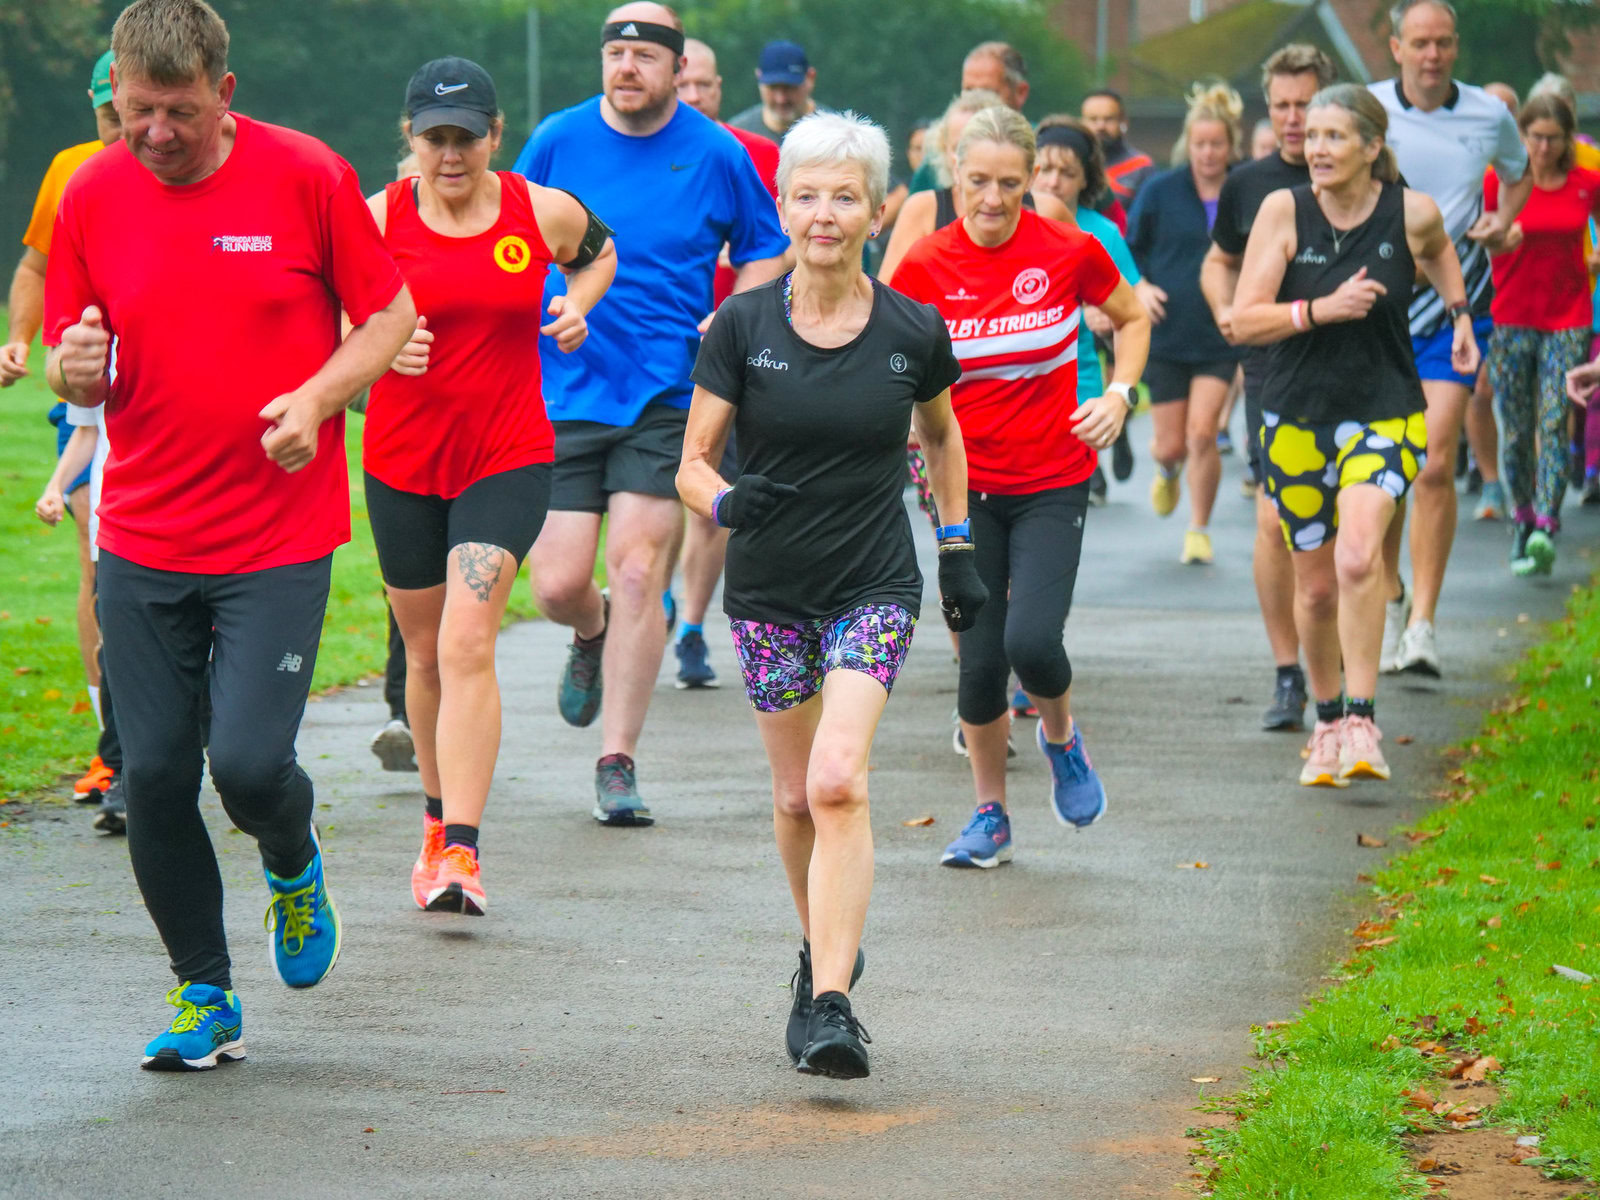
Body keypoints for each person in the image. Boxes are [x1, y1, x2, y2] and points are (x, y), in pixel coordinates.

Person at [45, 0, 414, 1069]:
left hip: (274, 535)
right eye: (134, 109)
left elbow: (387, 317)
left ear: (225, 94)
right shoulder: (93, 190)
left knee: (249, 766)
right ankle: (203, 993)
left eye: (177, 111)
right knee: (153, 775)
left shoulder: (307, 176)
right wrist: (78, 372)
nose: (153, 131)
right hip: (144, 534)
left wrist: (318, 397)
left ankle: (291, 862)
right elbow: (86, 348)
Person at [678, 112, 980, 1077]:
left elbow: (941, 435)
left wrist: (958, 541)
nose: (824, 213)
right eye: (806, 194)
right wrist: (728, 501)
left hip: (872, 583)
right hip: (767, 588)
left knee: (837, 779)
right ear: (781, 205)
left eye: (844, 195)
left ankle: (839, 1004)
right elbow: (691, 462)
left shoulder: (910, 330)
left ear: (876, 209)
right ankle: (819, 958)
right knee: (792, 794)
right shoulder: (742, 325)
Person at [511, 4, 788, 826]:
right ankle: (587, 631)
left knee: (639, 569)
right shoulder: (557, 140)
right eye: (615, 53)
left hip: (669, 391)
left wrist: (730, 313)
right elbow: (506, 233)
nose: (626, 68)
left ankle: (618, 760)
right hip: (562, 383)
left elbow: (765, 246)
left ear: (676, 68)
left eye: (643, 56)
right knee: (559, 582)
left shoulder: (715, 151)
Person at [365, 57, 616, 915]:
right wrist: (380, 351)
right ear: (412, 137)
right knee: (427, 656)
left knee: (470, 642)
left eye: (465, 137)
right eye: (434, 137)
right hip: (401, 461)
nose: (450, 153)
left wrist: (577, 302)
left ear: (493, 135)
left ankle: (464, 854)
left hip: (507, 454)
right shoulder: (378, 219)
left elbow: (601, 249)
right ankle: (435, 828)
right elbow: (332, 319)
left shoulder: (533, 208)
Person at [892, 106, 1150, 869]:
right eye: (978, 182)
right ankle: (990, 814)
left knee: (1031, 643)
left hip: (1052, 479)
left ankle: (1062, 739)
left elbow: (1130, 319)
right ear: (954, 175)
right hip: (963, 489)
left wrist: (1121, 394)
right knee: (978, 665)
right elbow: (891, 354)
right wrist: (901, 413)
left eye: (1011, 182)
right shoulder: (924, 265)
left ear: (1034, 175)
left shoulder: (1067, 249)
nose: (995, 199)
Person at [1233, 83, 1475, 788]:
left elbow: (1438, 252)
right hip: (1295, 417)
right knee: (1313, 590)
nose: (1317, 150)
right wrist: (1319, 310)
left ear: (1373, 147)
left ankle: (1364, 719)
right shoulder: (1285, 212)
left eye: (1334, 137)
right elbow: (1244, 320)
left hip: (1386, 410)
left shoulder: (1413, 212)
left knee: (1362, 555)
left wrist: (1459, 316)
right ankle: (1329, 719)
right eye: (1311, 138)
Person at [1371, 0, 1530, 677]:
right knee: (1383, 469)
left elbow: (1519, 171)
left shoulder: (1489, 116)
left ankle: (1424, 624)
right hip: (1375, 305)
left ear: (1455, 48)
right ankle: (1388, 588)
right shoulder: (1366, 110)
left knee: (1434, 462)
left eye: (1443, 43)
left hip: (1456, 305)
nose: (1432, 55)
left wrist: (1502, 218)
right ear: (1395, 47)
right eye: (1420, 43)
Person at [1201, 44, 1337, 731]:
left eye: (1306, 105)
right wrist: (1227, 308)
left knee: (1340, 528)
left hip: (1351, 368)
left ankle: (1334, 664)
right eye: (1281, 106)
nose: (1292, 120)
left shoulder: (1362, 173)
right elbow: (1218, 260)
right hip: (1272, 367)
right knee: (1273, 518)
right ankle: (1289, 675)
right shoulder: (1248, 183)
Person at [4, 50, 121, 799]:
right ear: (93, 105)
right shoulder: (73, 170)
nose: (128, 131)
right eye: (112, 115)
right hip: (90, 390)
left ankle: (170, 731)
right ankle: (115, 740)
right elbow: (36, 268)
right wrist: (21, 338)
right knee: (97, 549)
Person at [672, 36, 781, 691]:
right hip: (653, 354)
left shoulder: (757, 155)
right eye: (682, 87)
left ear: (720, 90)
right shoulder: (635, 156)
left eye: (703, 87)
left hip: (739, 352)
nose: (692, 98)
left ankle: (689, 628)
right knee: (654, 502)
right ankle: (649, 603)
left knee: (710, 488)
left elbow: (787, 241)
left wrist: (742, 308)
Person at [1483, 95, 1599, 576]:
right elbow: (1483, 234)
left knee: (1553, 420)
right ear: (1522, 135)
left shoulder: (1586, 183)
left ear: (1568, 138)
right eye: (1536, 136)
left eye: (1554, 137)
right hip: (1511, 315)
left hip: (1568, 316)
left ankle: (1546, 525)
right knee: (1517, 428)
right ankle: (1522, 517)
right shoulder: (1500, 182)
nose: (1544, 146)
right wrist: (1496, 238)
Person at [1127, 82, 1242, 565]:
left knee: (1203, 434)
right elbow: (1129, 248)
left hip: (1221, 333)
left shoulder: (1244, 188)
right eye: (1200, 144)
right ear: (1187, 145)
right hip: (1169, 332)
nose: (1209, 153)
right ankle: (1169, 471)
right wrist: (1140, 287)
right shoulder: (1160, 190)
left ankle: (1199, 528)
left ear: (1230, 145)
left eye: (1217, 144)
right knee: (1170, 445)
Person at [1032, 115, 1145, 502]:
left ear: (1085, 180)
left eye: (1067, 172)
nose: (1053, 181)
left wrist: (1104, 318)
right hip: (1016, 388)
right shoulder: (1005, 226)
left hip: (1078, 383)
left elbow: (1133, 309)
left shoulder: (1102, 233)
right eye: (1044, 169)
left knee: (1053, 504)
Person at [904, 42, 1029, 196]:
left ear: (1020, 93)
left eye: (986, 91)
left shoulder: (1044, 150)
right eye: (969, 91)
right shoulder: (936, 162)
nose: (976, 100)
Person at [727, 39, 818, 144]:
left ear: (810, 78)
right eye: (772, 87)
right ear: (758, 77)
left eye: (789, 87)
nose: (781, 99)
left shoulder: (834, 135)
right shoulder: (736, 137)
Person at [1081, 89, 1156, 208]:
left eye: (1109, 119)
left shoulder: (1141, 167)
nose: (1101, 126)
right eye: (1093, 119)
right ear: (1081, 123)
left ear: (1123, 122)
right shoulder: (1070, 167)